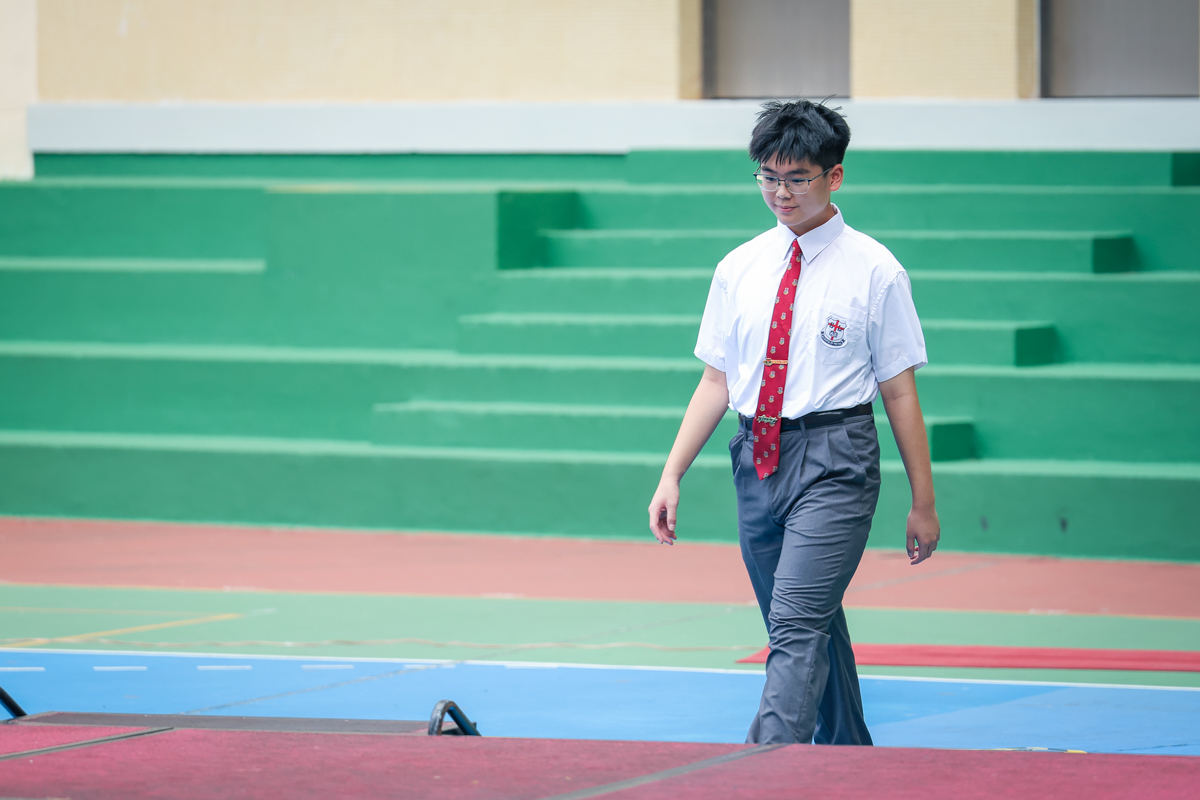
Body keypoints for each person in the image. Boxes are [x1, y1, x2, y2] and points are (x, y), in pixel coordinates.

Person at [647, 100, 941, 746]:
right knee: (807, 623)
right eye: (768, 177)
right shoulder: (739, 268)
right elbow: (717, 381)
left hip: (836, 458)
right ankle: (849, 756)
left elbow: (899, 391)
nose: (781, 193)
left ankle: (767, 764)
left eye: (797, 178)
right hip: (756, 457)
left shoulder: (876, 271)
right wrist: (672, 474)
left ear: (834, 176)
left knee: (796, 621)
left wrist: (923, 501)